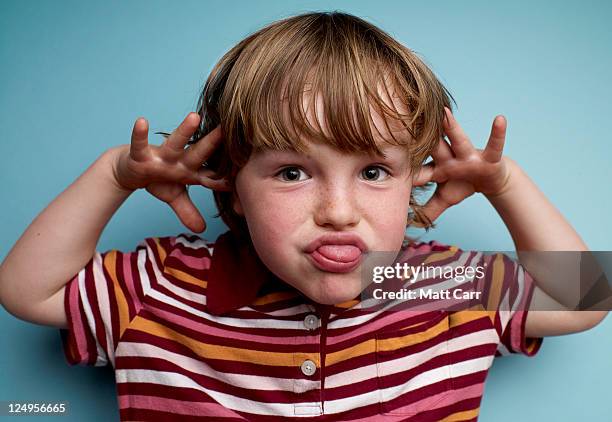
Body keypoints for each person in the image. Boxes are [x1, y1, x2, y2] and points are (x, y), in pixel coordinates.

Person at [0, 11, 607, 421]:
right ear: (233, 186)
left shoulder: (435, 283)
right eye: (291, 172)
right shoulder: (162, 285)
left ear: (413, 180)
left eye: (374, 172)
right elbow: (27, 292)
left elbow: (588, 296)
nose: (338, 213)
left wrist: (504, 183)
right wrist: (115, 175)